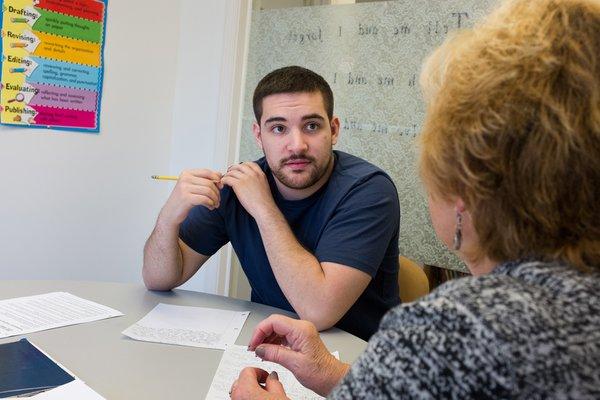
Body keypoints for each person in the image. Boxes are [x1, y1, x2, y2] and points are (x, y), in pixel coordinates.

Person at [230, 0, 600, 398]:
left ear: (463, 187)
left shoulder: (450, 331)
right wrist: (333, 373)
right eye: (279, 128)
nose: (296, 144)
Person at [142, 66, 401, 340]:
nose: (297, 145)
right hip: (272, 347)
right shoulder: (239, 186)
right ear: (258, 135)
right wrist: (169, 217)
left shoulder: (369, 190)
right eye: (278, 128)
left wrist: (263, 208)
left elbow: (318, 312)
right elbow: (158, 279)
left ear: (334, 130)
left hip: (357, 361)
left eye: (311, 126)